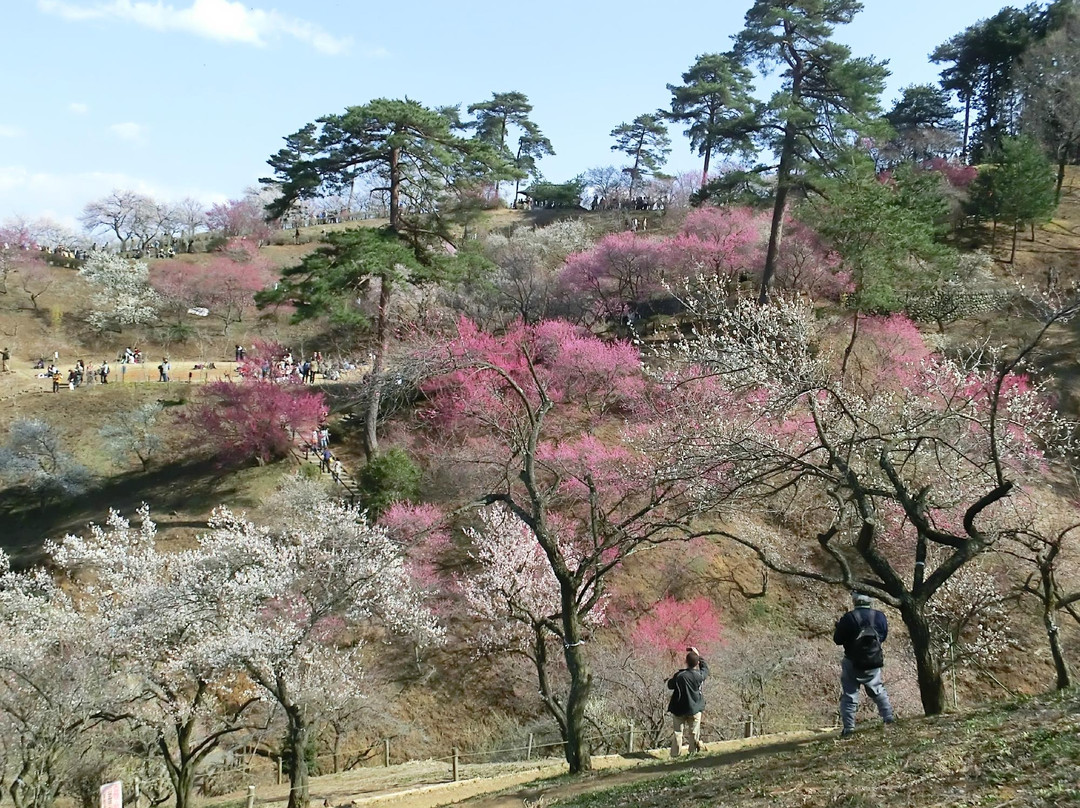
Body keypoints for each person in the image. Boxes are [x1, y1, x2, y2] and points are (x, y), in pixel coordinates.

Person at [833, 592, 895, 738]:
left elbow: (837, 640)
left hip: (852, 661)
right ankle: (888, 718)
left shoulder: (849, 617)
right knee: (878, 690)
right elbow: (883, 636)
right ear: (871, 600)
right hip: (873, 661)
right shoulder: (880, 616)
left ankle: (849, 728)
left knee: (849, 695)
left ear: (854, 601)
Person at [667, 646, 708, 757]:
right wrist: (698, 655)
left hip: (679, 709)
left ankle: (675, 755)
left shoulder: (679, 676)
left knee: (677, 733)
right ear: (697, 663)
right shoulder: (699, 676)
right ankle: (692, 753)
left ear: (686, 662)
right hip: (695, 708)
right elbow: (705, 669)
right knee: (694, 732)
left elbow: (670, 685)